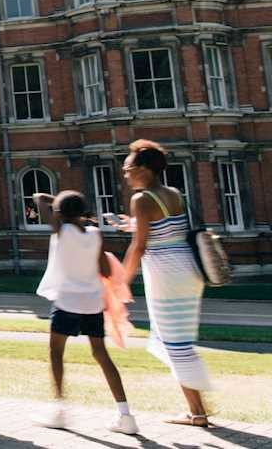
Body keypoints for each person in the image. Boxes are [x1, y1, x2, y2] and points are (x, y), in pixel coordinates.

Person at [116, 139, 214, 427]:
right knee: (177, 339)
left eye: (128, 168)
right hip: (188, 270)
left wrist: (122, 281)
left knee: (175, 343)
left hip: (165, 274)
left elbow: (139, 247)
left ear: (144, 169)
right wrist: (132, 224)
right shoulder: (172, 193)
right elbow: (167, 229)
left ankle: (198, 412)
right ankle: (197, 408)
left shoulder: (141, 199)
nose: (125, 174)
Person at [33, 190, 138, 435]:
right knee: (101, 354)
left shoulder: (62, 231)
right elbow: (105, 269)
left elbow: (38, 198)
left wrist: (56, 203)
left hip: (67, 301)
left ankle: (59, 408)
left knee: (56, 353)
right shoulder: (94, 234)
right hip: (92, 302)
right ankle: (125, 415)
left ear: (59, 213)